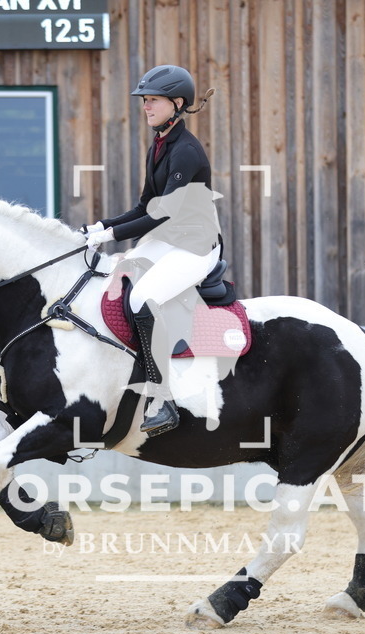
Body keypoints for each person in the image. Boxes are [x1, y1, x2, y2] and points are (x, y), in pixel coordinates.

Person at [85, 64, 220, 436]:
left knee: (143, 298)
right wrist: (102, 227)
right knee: (115, 277)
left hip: (195, 246)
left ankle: (164, 399)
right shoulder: (159, 145)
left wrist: (110, 235)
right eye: (145, 101)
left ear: (177, 103)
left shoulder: (187, 152)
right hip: (169, 240)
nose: (146, 107)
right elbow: (144, 206)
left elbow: (162, 215)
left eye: (153, 101)